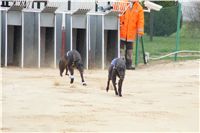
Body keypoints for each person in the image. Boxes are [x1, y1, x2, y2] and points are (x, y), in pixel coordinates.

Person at [115, 0, 144, 70]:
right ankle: (120, 64)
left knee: (129, 51)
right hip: (122, 32)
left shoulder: (139, 8)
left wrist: (140, 32)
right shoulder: (122, 3)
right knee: (120, 50)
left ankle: (129, 65)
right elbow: (116, 14)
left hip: (131, 33)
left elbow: (140, 21)